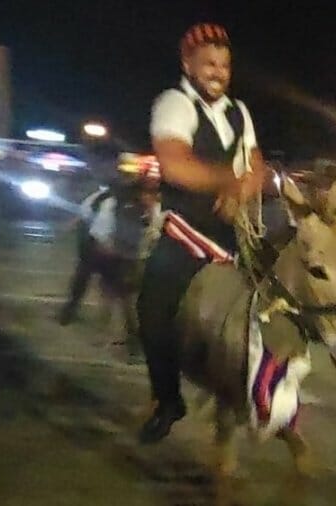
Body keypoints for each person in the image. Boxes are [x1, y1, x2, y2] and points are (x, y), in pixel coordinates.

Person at [138, 22, 265, 443]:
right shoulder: (173, 103)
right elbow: (175, 165)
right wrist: (230, 181)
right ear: (187, 63)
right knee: (152, 311)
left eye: (224, 65)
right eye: (209, 63)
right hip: (185, 233)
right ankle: (168, 399)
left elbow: (257, 168)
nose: (218, 72)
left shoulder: (239, 111)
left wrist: (243, 188)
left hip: (233, 233)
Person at [59, 159, 163, 361]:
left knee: (118, 300)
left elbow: (96, 230)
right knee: (125, 302)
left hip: (119, 258)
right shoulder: (142, 207)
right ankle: (127, 341)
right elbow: (154, 236)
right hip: (127, 258)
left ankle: (112, 337)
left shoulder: (111, 202)